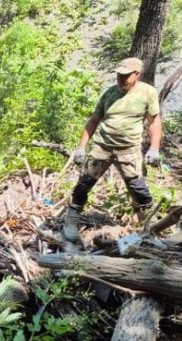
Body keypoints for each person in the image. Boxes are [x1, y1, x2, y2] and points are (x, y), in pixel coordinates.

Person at [63, 57, 163, 243]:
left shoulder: (147, 93)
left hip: (129, 149)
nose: (121, 79)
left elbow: (154, 122)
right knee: (84, 183)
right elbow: (94, 119)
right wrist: (81, 148)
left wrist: (154, 148)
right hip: (102, 147)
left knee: (138, 188)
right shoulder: (109, 94)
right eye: (119, 75)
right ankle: (70, 222)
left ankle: (149, 226)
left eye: (126, 76)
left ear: (137, 74)